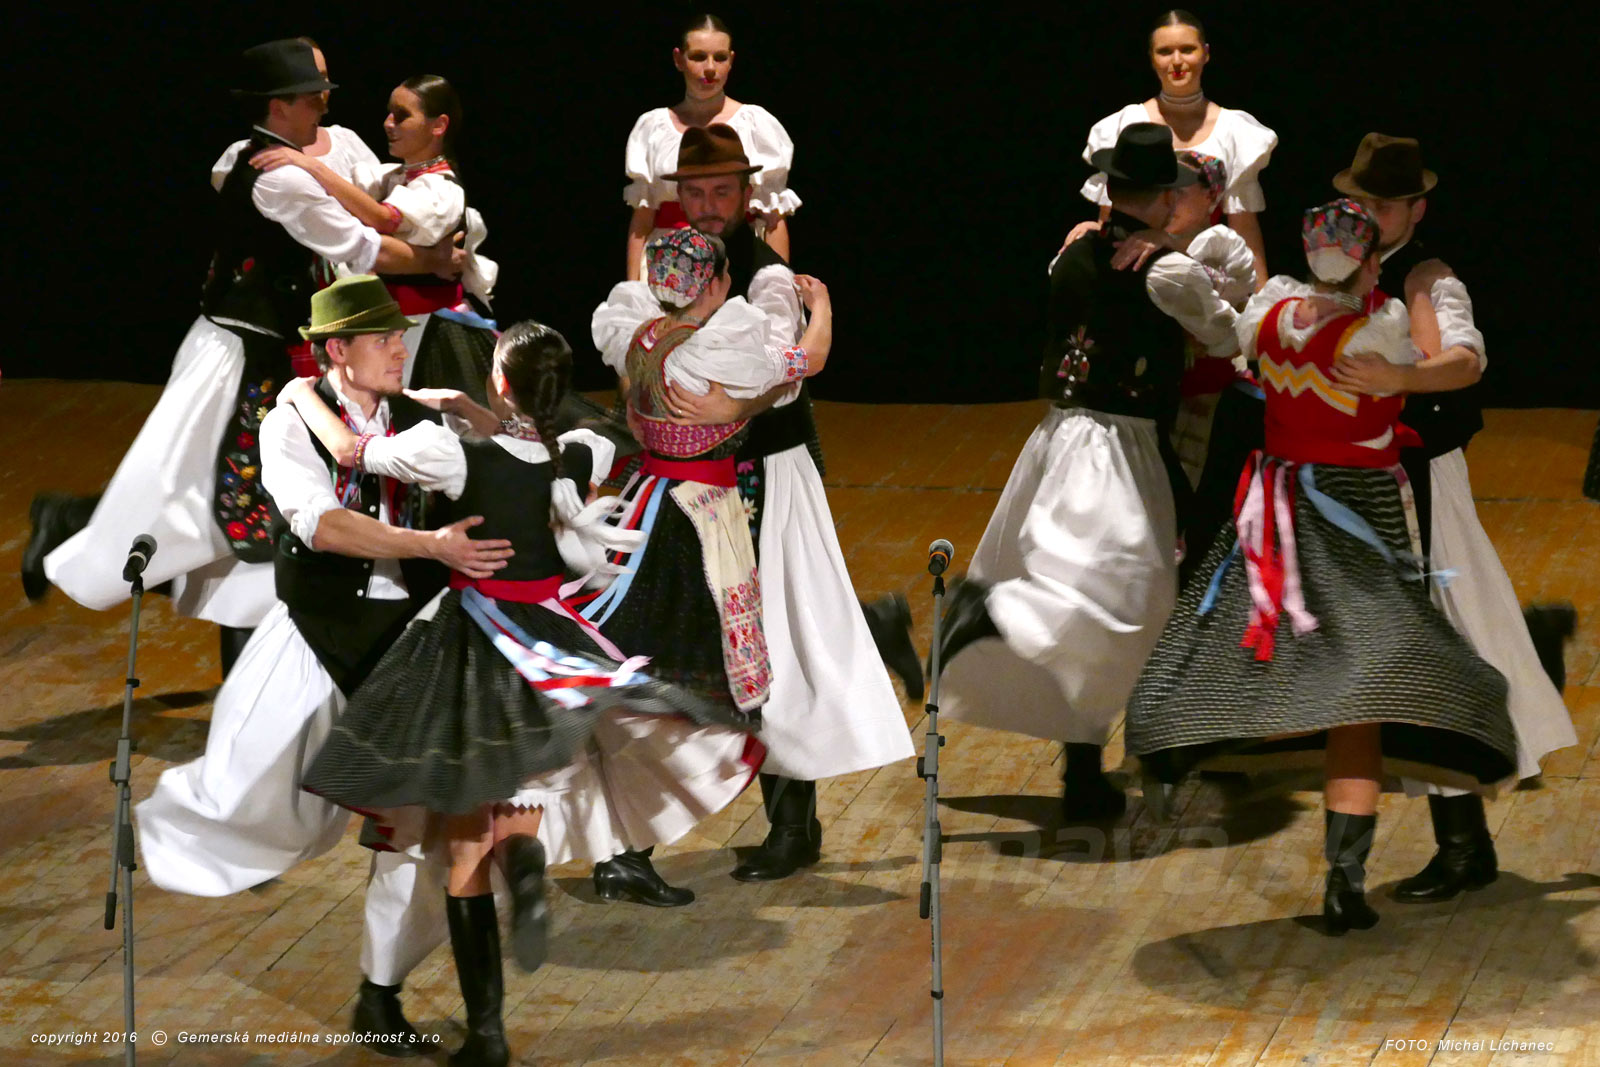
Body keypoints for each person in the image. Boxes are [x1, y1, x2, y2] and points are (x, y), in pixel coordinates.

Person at [294, 317, 761, 1067]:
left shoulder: (455, 454)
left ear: (498, 380)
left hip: (478, 641)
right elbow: (563, 444)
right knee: (519, 802)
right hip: (550, 646)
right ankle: (525, 865)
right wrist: (487, 411)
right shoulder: (570, 451)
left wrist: (298, 397)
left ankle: (488, 1033)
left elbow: (353, 451)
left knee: (463, 851)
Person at [135, 276, 509, 1055]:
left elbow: (494, 457)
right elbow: (325, 525)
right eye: (384, 339)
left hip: (407, 642)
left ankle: (381, 991)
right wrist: (430, 545)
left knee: (417, 830)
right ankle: (164, 830)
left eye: (401, 336)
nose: (400, 349)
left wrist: (484, 421)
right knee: (256, 805)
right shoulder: (288, 426)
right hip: (320, 634)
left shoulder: (415, 414)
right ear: (338, 350)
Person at [1125, 199, 1516, 935]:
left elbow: (1232, 331)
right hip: (1356, 514)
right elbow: (1436, 367)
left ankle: (1187, 742)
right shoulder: (1380, 328)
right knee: (1365, 702)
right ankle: (1346, 879)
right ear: (1367, 263)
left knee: (1250, 648)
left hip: (1278, 509)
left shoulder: (1270, 316)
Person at [23, 40, 460, 675]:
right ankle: (71, 524)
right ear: (279, 106)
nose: (325, 102)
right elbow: (365, 248)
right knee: (200, 501)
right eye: (313, 94)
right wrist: (438, 261)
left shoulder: (302, 156)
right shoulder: (274, 176)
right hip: (235, 357)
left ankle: (257, 675)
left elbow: (370, 215)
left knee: (237, 508)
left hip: (274, 352)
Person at [605, 131, 916, 888]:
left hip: (766, 473)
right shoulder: (667, 264)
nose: (708, 205)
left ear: (748, 195)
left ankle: (791, 824)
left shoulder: (767, 276)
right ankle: (630, 840)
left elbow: (790, 373)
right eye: (696, 190)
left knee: (770, 638)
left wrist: (732, 405)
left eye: (723, 191)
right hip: (685, 479)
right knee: (673, 638)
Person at [936, 124, 1240, 822]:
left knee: (1110, 598)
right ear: (1164, 198)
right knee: (1118, 597)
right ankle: (988, 618)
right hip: (1117, 446)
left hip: (1062, 433)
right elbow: (1229, 334)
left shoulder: (1073, 251)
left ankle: (1085, 773)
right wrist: (1176, 255)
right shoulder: (1167, 271)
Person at [1324, 134, 1578, 902]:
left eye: (1387, 203)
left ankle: (1464, 846)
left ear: (1417, 209)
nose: (1371, 214)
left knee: (1446, 646)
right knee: (1425, 653)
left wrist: (1398, 376)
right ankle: (1462, 842)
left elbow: (1465, 360)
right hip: (1365, 483)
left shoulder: (1430, 279)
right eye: (1362, 201)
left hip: (1424, 481)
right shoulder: (1344, 270)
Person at [251, 73, 499, 394]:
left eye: (402, 115)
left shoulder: (441, 189)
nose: (388, 123)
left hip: (432, 330)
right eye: (389, 113)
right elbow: (348, 196)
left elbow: (383, 219)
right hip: (395, 326)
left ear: (438, 125)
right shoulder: (394, 177)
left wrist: (311, 165)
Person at [1073, 10, 1276, 289]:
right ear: (1152, 58)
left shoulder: (1235, 132)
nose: (1177, 61)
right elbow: (1110, 219)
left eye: (1187, 49)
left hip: (1205, 280)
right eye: (1165, 51)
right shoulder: (1124, 125)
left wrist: (1261, 305)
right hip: (1135, 272)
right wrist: (1092, 233)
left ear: (1205, 53)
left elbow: (1244, 232)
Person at [623, 13, 799, 278]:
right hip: (669, 263)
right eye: (698, 57)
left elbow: (773, 219)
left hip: (738, 258)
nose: (710, 68)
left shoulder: (756, 125)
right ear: (678, 59)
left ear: (731, 61)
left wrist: (778, 284)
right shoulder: (653, 127)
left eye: (720, 57)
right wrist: (632, 287)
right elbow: (642, 219)